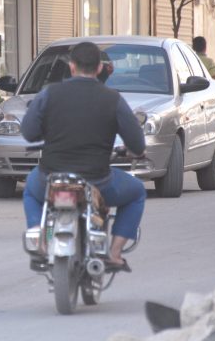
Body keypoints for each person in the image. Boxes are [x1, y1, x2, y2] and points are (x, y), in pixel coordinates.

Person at [21, 42, 146, 273]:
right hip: (98, 182)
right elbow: (137, 144)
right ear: (100, 69)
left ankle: (41, 240)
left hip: (51, 178)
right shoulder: (112, 99)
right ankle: (115, 253)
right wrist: (135, 151)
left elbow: (28, 132)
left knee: (30, 189)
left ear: (71, 66)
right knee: (137, 192)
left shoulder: (49, 94)